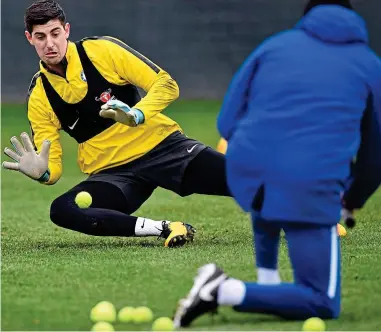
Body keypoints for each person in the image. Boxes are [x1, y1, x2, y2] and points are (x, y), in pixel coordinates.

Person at [174, 0, 381, 326]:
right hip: (307, 184)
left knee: (267, 189)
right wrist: (352, 200)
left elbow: (227, 121)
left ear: (308, 16)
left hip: (247, 173)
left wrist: (252, 150)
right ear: (353, 17)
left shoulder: (273, 46)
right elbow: (375, 155)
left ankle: (267, 288)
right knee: (323, 302)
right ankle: (222, 290)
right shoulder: (370, 65)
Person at [2, 0, 231, 248]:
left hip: (163, 149)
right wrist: (42, 173)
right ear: (29, 38)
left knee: (249, 183)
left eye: (55, 34)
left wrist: (137, 115)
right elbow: (53, 164)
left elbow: (166, 84)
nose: (49, 43)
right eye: (40, 37)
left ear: (66, 30)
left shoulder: (101, 51)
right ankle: (164, 228)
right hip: (113, 175)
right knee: (63, 209)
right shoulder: (39, 94)